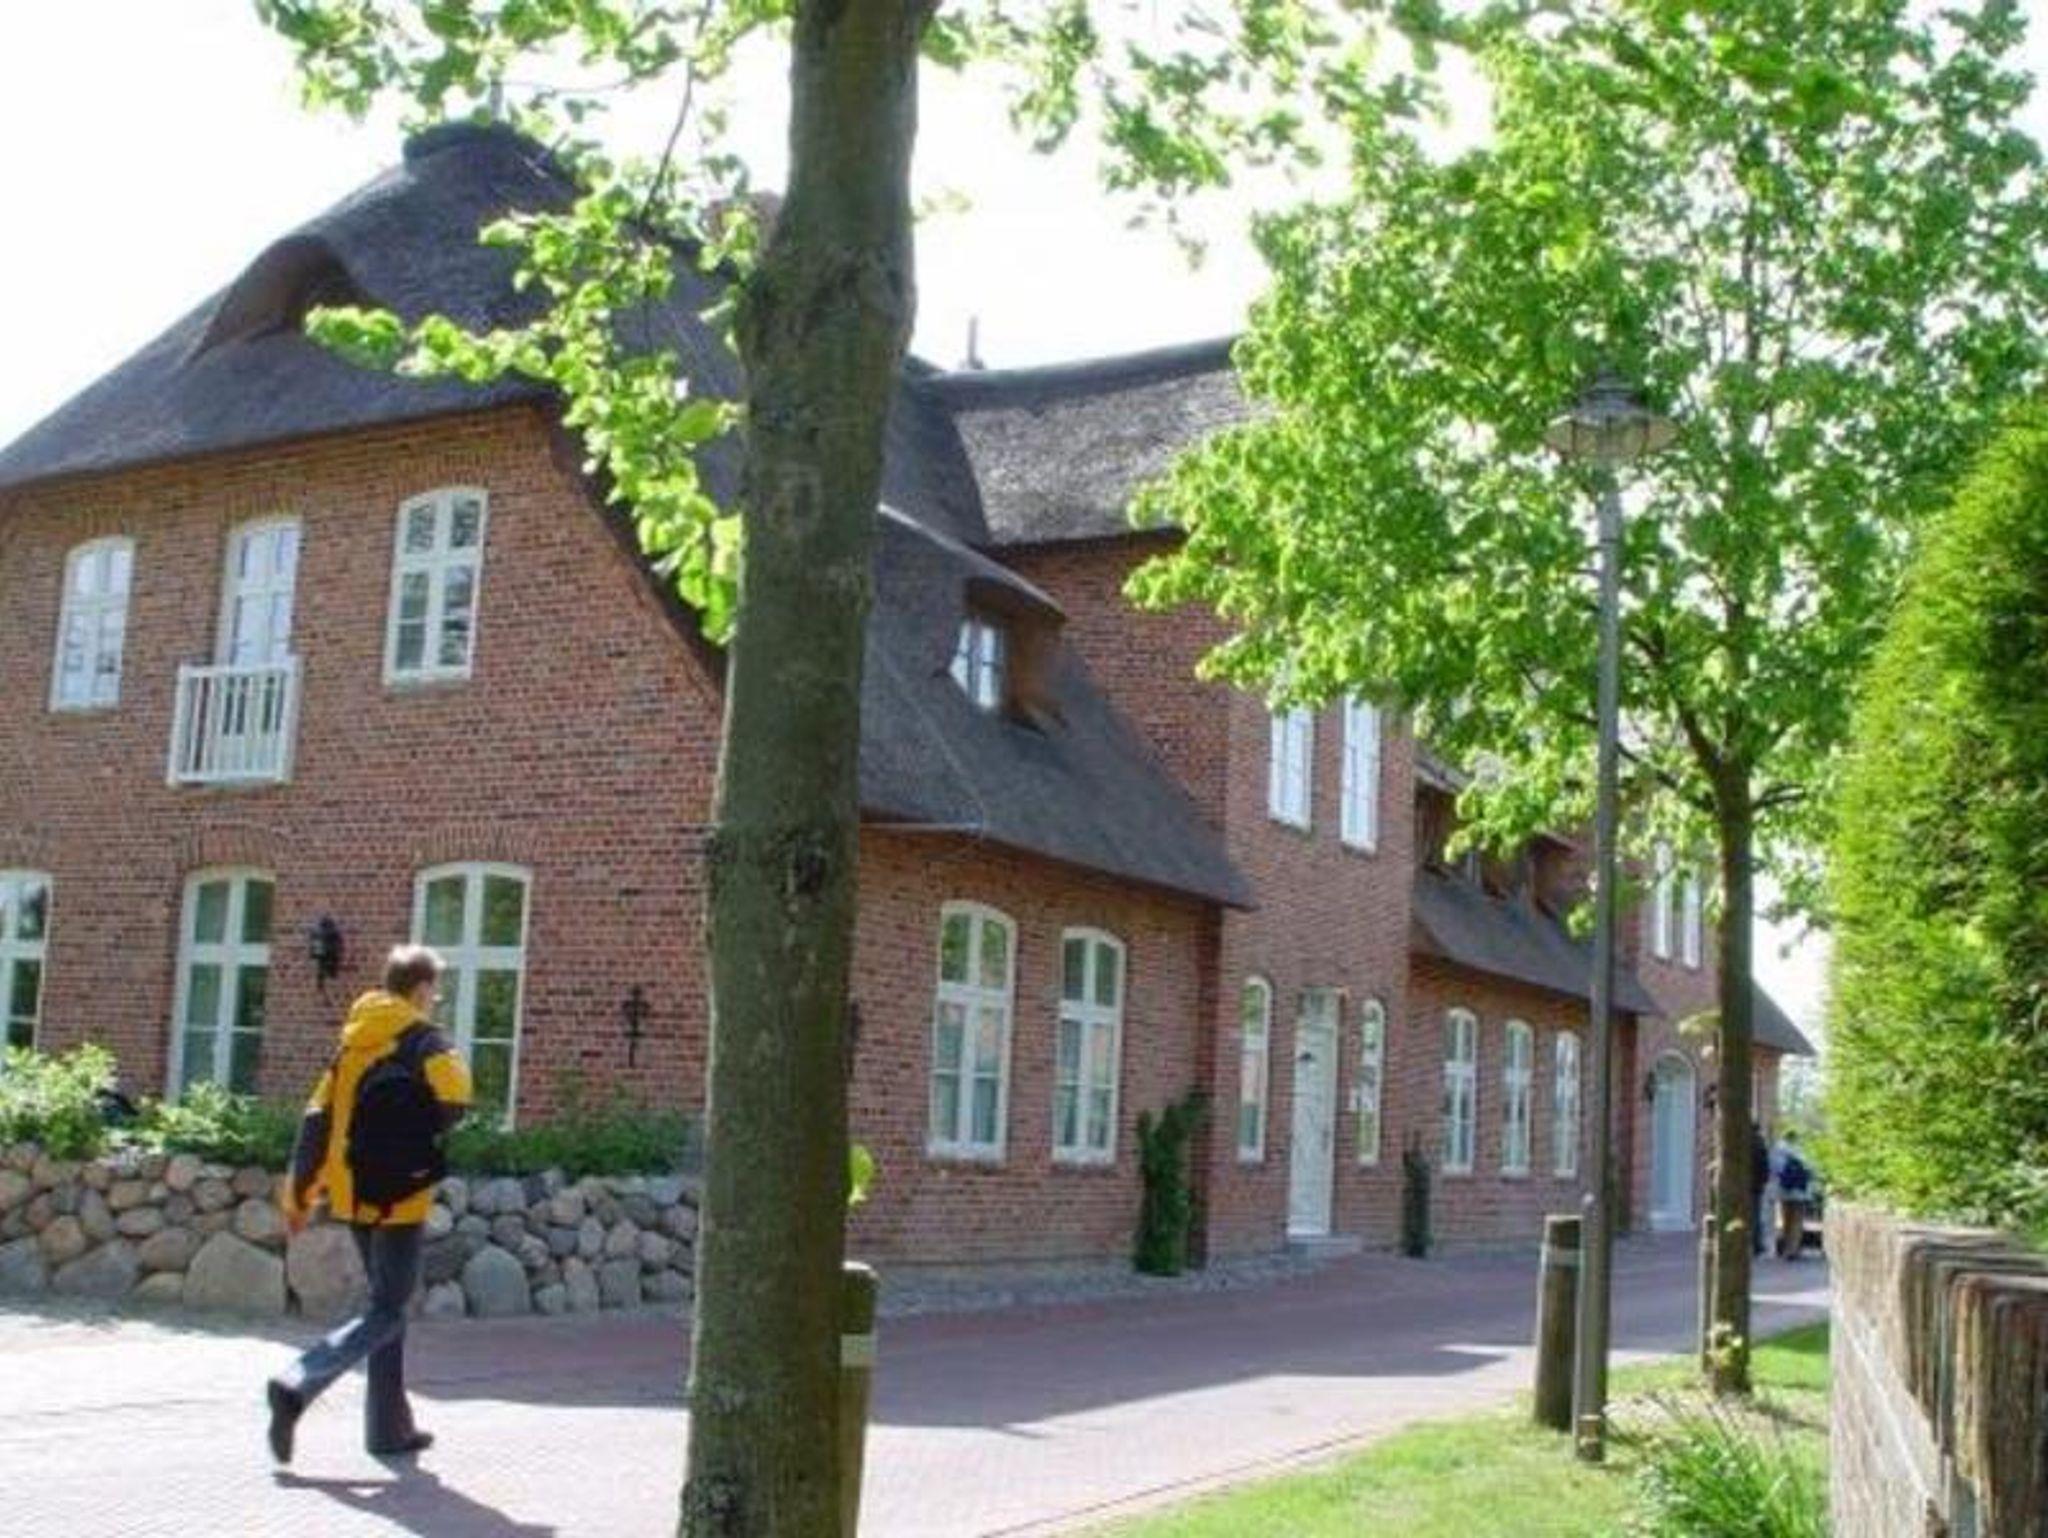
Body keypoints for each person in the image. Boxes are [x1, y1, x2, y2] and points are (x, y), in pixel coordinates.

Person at [266, 944, 472, 1464]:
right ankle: (298, 1383)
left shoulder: (351, 1044)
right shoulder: (426, 1041)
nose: (435, 999)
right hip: (401, 1197)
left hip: (352, 1193)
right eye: (434, 990)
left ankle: (387, 1430)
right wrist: (418, 1130)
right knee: (387, 1309)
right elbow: (458, 1100)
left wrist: (299, 1196)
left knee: (386, 1306)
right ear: (420, 989)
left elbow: (316, 1120)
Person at [1772, 1129, 1814, 1261]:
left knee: (1786, 1220)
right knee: (1797, 1221)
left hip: (1784, 1191)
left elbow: (1774, 1171)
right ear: (1794, 1138)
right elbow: (1810, 1169)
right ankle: (1793, 1249)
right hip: (1799, 1192)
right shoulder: (1800, 1150)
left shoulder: (1777, 1151)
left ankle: (1785, 1248)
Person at [1749, 1121, 1772, 1257]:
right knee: (1755, 1215)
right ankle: (1756, 1245)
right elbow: (1764, 1164)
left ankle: (1750, 1243)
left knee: (1747, 1214)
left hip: (1745, 1184)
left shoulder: (1742, 1142)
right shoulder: (1759, 1143)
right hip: (1755, 1185)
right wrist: (1764, 1180)